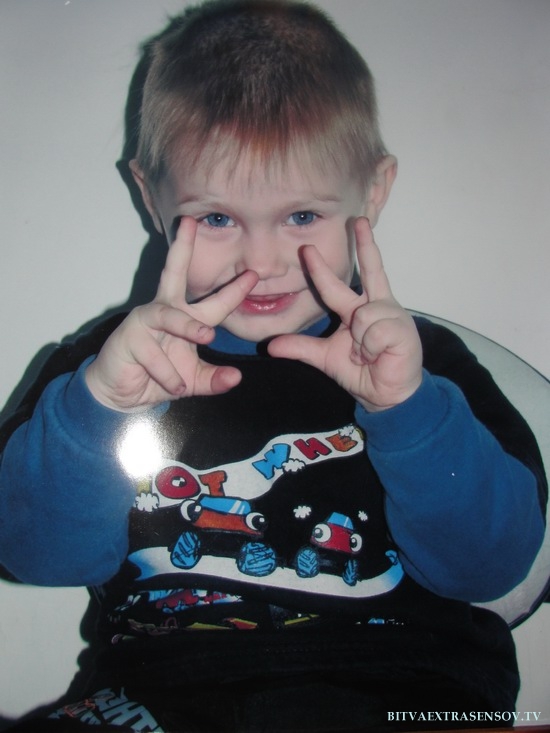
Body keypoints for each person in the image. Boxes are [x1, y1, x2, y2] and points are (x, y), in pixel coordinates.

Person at [0, 1, 547, 730]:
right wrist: (99, 411)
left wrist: (408, 411)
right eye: (217, 217)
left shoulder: (425, 366)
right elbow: (33, 556)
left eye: (301, 216)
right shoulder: (108, 369)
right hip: (162, 690)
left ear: (373, 191)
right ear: (149, 194)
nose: (260, 261)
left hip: (406, 685)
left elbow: (491, 568)